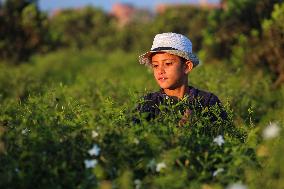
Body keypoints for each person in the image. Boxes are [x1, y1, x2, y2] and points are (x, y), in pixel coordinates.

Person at [134, 32, 227, 125]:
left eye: (168, 63)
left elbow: (223, 136)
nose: (160, 70)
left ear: (187, 67)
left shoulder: (207, 101)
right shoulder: (148, 102)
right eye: (155, 65)